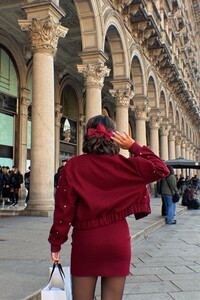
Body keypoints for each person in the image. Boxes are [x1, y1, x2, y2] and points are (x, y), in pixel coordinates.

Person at [48, 115, 170, 300]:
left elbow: (64, 209)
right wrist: (133, 146)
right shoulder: (126, 165)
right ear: (113, 136)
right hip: (117, 240)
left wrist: (56, 242)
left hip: (86, 241)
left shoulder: (73, 166)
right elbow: (161, 169)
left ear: (88, 135)